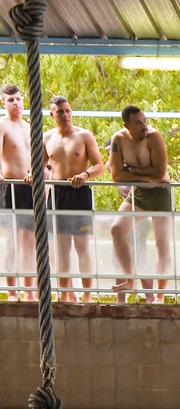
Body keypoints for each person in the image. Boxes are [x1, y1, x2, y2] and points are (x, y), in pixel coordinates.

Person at [107, 105, 171, 303]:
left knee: (162, 245)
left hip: (161, 193)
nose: (144, 126)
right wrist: (145, 178)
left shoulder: (154, 137)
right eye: (138, 123)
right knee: (117, 229)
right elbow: (116, 175)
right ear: (126, 125)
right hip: (140, 193)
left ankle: (160, 296)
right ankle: (130, 278)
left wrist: (133, 173)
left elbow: (160, 173)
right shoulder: (119, 140)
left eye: (145, 121)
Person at [42, 95, 104, 303]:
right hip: (58, 194)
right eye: (60, 112)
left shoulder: (84, 135)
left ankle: (87, 294)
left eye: (68, 110)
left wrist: (85, 175)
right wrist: (33, 175)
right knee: (61, 248)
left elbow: (99, 165)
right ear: (52, 115)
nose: (66, 115)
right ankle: (65, 294)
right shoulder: (46, 138)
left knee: (82, 245)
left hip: (79, 192)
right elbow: (38, 166)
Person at [0, 83, 34, 300]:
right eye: (11, 100)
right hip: (10, 185)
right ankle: (12, 291)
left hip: (29, 186)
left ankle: (29, 290)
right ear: (3, 102)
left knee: (29, 241)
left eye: (18, 99)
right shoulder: (2, 125)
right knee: (12, 239)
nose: (15, 103)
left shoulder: (29, 126)